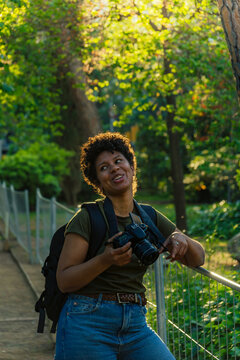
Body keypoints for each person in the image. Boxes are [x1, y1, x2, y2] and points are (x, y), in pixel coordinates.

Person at [55, 132, 205, 360]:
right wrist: (105, 260)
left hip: (135, 322)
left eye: (118, 161)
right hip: (87, 321)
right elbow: (64, 280)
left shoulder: (149, 216)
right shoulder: (87, 218)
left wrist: (180, 238)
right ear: (97, 181)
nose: (114, 169)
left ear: (131, 167)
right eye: (104, 167)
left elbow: (198, 258)